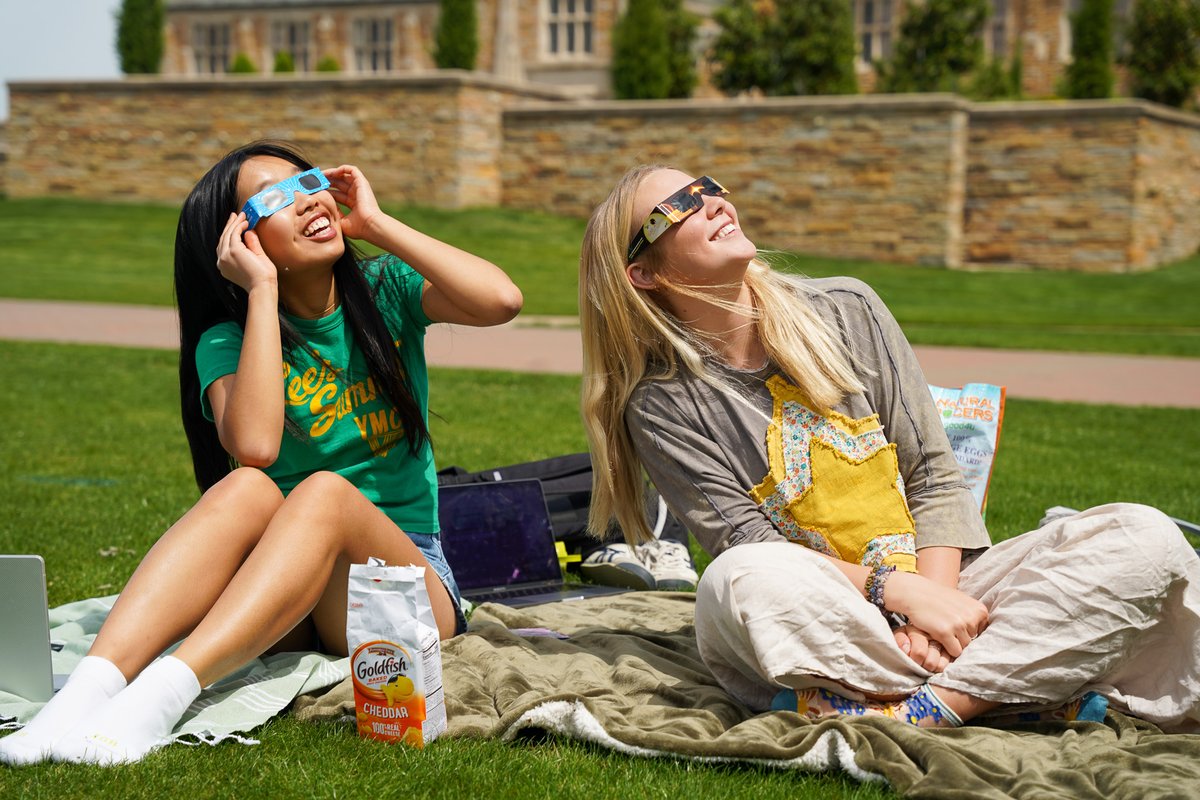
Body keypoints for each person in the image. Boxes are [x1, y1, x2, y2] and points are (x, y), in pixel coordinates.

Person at [578, 164, 1200, 732]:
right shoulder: (661, 405)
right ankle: (1021, 685)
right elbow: (751, 545)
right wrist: (896, 597)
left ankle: (927, 707)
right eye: (679, 206)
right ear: (645, 273)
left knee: (1145, 538)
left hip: (955, 591)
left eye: (708, 185)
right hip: (835, 610)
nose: (711, 201)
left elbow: (933, 475)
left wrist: (938, 603)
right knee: (735, 585)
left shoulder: (847, 309)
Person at [0, 141, 523, 767]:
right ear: (239, 241)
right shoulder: (229, 340)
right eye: (275, 200)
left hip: (408, 592)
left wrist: (377, 225)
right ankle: (84, 698)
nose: (306, 202)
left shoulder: (384, 293)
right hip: (296, 592)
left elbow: (502, 301)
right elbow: (255, 447)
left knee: (326, 493)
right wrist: (264, 293)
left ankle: (155, 702)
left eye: (308, 183)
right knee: (250, 486)